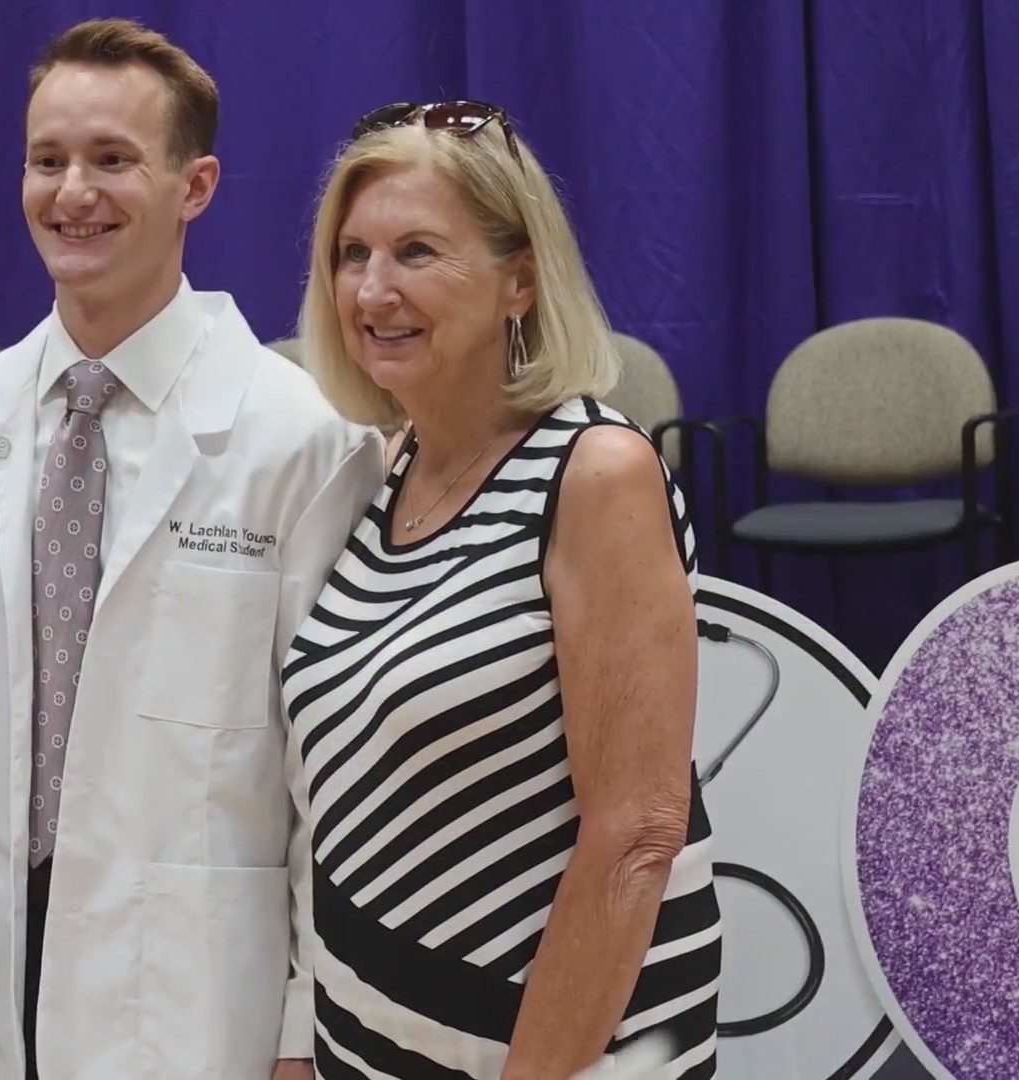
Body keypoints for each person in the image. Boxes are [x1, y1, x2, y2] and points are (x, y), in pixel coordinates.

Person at [0, 18, 385, 1080]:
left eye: (113, 160)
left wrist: (307, 1025)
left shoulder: (298, 438)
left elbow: (333, 773)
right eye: (48, 160)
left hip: (202, 984)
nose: (73, 192)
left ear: (196, 186)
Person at [279, 102, 722, 1080]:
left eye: (417, 252)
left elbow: (636, 840)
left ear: (520, 278)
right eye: (353, 254)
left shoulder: (596, 473)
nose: (373, 289)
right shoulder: (384, 471)